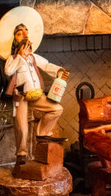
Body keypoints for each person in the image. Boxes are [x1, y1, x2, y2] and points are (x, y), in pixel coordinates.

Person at [4, 23, 68, 163]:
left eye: (26, 31)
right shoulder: (13, 59)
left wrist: (58, 70)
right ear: (14, 40)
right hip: (21, 96)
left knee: (56, 109)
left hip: (36, 95)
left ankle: (43, 134)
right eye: (20, 33)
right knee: (22, 127)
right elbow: (8, 71)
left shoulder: (33, 57)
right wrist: (20, 57)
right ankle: (21, 154)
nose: (25, 35)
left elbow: (45, 64)